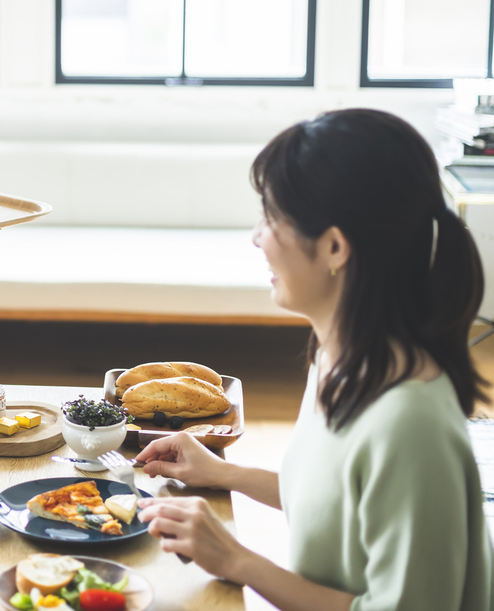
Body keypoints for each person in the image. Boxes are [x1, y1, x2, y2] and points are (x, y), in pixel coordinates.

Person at [135, 109, 493, 611]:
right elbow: (335, 502)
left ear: (333, 246)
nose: (256, 237)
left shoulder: (410, 422)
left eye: (271, 218)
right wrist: (222, 472)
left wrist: (238, 560)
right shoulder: (335, 359)